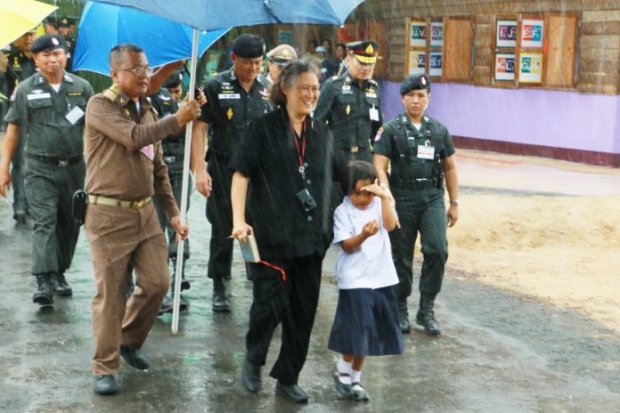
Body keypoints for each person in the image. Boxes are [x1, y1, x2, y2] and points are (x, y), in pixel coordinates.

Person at [83, 43, 200, 396]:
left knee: (158, 283)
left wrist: (174, 213)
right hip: (108, 215)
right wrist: (178, 119)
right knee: (112, 294)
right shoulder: (100, 106)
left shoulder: (147, 109)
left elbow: (158, 168)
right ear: (115, 73)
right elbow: (134, 139)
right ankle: (105, 366)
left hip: (145, 213)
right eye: (136, 69)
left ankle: (129, 340)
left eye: (147, 68)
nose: (145, 75)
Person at [230, 59, 347, 403]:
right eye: (304, 88)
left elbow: (342, 172)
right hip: (272, 237)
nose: (311, 95)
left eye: (315, 88)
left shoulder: (321, 132)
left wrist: (375, 186)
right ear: (285, 90)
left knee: (302, 311)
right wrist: (239, 220)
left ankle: (288, 376)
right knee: (270, 305)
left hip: (311, 240)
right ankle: (253, 359)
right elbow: (241, 174)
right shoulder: (262, 128)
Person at [0, 34, 93, 305]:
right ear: (35, 58)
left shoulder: (82, 87)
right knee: (45, 221)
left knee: (70, 222)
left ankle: (59, 273)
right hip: (40, 167)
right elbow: (13, 128)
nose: (53, 60)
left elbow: (95, 128)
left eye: (58, 54)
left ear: (66, 56)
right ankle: (43, 279)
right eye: (46, 55)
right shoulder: (26, 89)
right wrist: (4, 168)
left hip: (75, 167)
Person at [373, 74, 460, 335]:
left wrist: (454, 202)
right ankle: (400, 308)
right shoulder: (390, 129)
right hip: (402, 196)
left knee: (437, 249)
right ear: (402, 98)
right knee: (401, 255)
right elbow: (379, 164)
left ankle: (426, 308)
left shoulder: (438, 130)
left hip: (432, 196)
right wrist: (386, 194)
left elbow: (450, 166)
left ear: (428, 99)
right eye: (411, 95)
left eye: (421, 96)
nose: (416, 100)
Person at [191, 34, 272, 313]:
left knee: (256, 226)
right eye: (247, 62)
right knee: (223, 227)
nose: (253, 68)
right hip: (224, 168)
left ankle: (256, 276)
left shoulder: (268, 89)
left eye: (258, 63)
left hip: (258, 173)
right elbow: (200, 128)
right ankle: (219, 283)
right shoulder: (215, 86)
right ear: (234, 59)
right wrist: (199, 170)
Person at [328, 160, 403, 401]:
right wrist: (364, 235)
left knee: (369, 331)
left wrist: (382, 197)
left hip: (381, 276)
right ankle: (342, 370)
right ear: (347, 190)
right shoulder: (342, 212)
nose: (362, 198)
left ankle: (356, 378)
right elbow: (347, 246)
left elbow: (390, 226)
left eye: (367, 192)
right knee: (356, 329)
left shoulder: (379, 204)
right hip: (355, 279)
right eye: (357, 192)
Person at [149, 70, 193, 313]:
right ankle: (154, 288)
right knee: (154, 229)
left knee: (179, 223)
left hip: (175, 168)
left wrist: (187, 112)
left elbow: (178, 131)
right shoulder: (138, 100)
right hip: (150, 171)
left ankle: (177, 278)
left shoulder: (166, 99)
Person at [314, 40, 383, 163]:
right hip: (338, 156)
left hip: (365, 157)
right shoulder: (333, 86)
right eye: (361, 63)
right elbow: (317, 125)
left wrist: (377, 154)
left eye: (370, 63)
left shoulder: (373, 88)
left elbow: (377, 127)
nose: (366, 68)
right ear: (348, 60)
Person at [1, 29, 37, 223]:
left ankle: (35, 203)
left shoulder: (41, 58)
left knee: (37, 162)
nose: (29, 38)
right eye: (24, 34)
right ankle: (21, 206)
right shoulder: (7, 59)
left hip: (40, 118)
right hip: (18, 118)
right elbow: (4, 93)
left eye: (32, 34)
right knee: (21, 162)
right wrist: (1, 72)